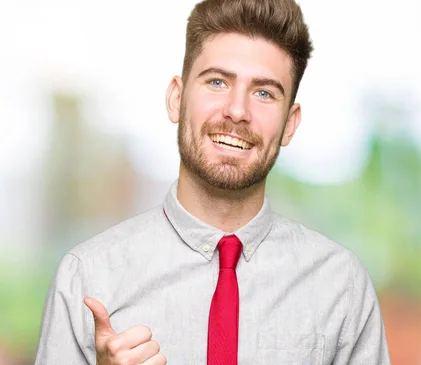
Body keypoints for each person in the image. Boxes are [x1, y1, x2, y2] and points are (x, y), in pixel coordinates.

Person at [34, 0, 391, 363]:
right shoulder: (87, 277)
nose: (237, 111)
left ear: (290, 124)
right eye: (217, 82)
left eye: (264, 92)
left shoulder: (341, 287)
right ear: (177, 98)